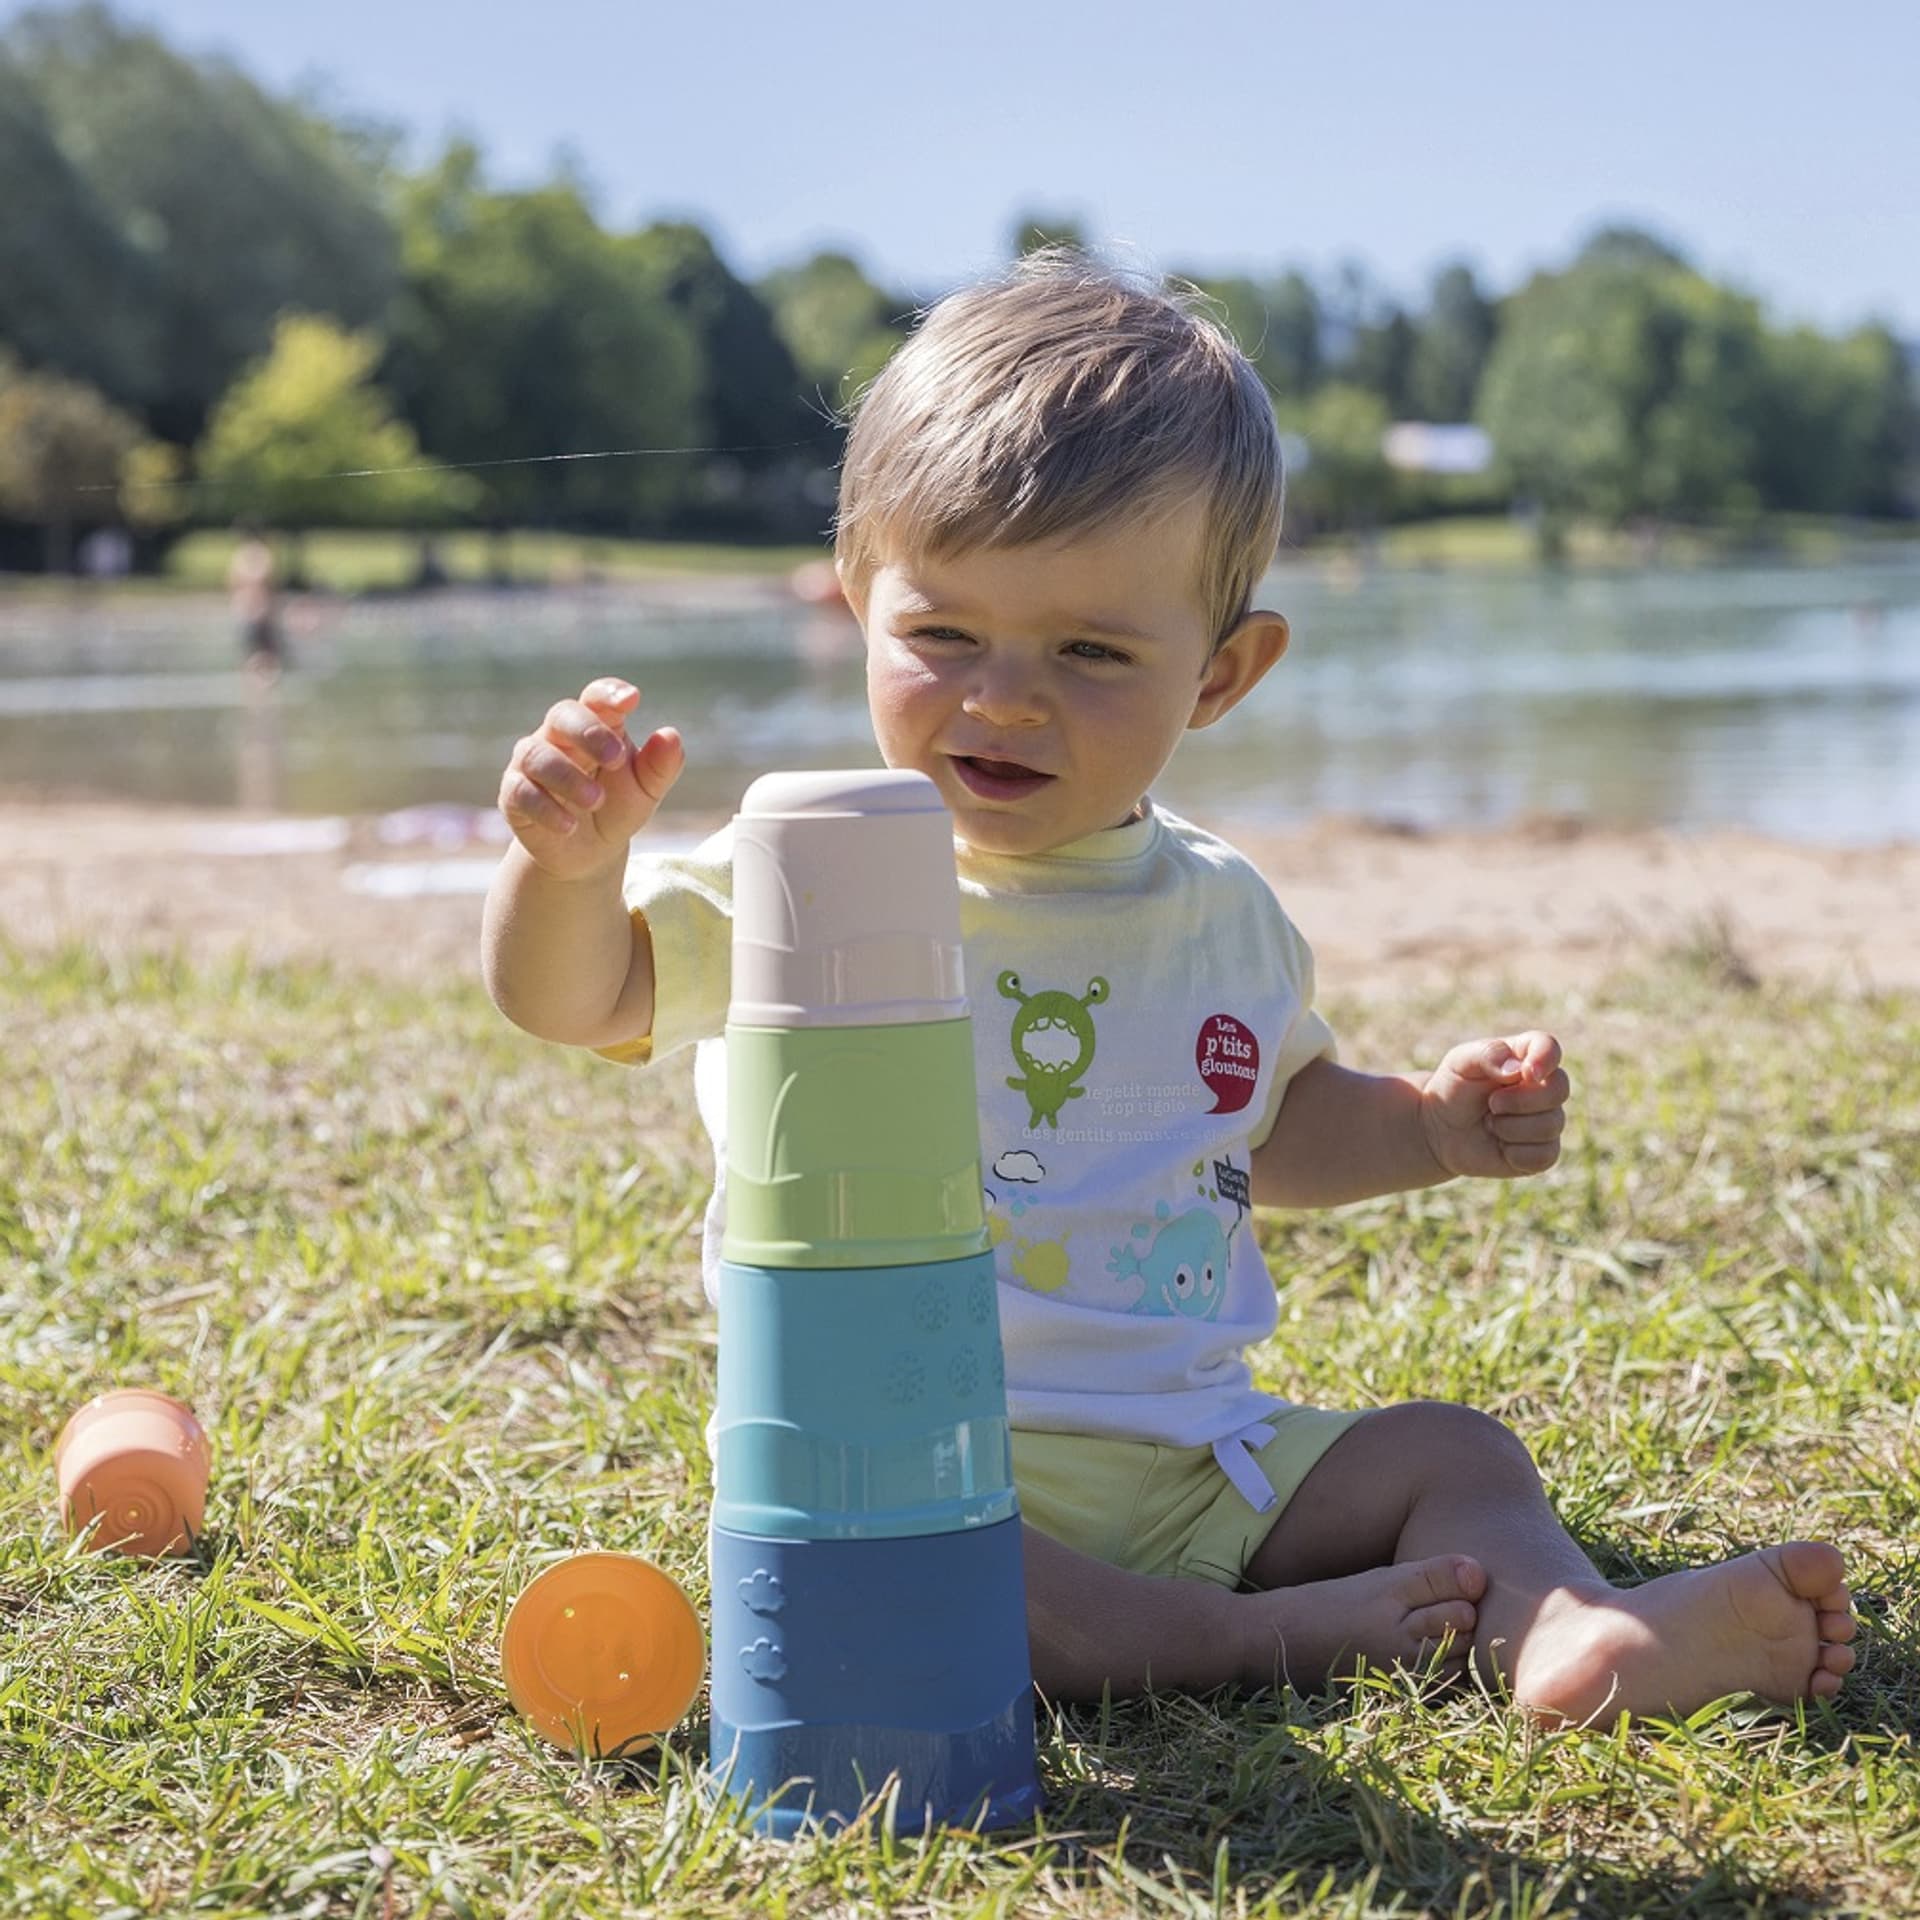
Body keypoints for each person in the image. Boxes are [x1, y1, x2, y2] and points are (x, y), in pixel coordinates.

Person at [481, 251, 1854, 1720]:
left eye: (1090, 651)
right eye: (946, 635)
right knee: (948, 1571)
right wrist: (568, 866)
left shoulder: (1218, 909)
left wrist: (1430, 1128)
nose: (1005, 696)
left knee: (1458, 1456)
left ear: (1221, 674)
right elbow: (573, 996)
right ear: (858, 602)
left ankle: (1568, 1634)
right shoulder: (813, 866)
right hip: (915, 1475)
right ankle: (1234, 1643)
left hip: (1211, 1466)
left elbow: (1266, 1133)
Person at [228, 520, 284, 677]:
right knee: (267, 651)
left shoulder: (240, 555)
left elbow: (232, 583)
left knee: (250, 651)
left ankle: (251, 682)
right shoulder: (264, 554)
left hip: (244, 607)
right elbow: (271, 584)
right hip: (260, 607)